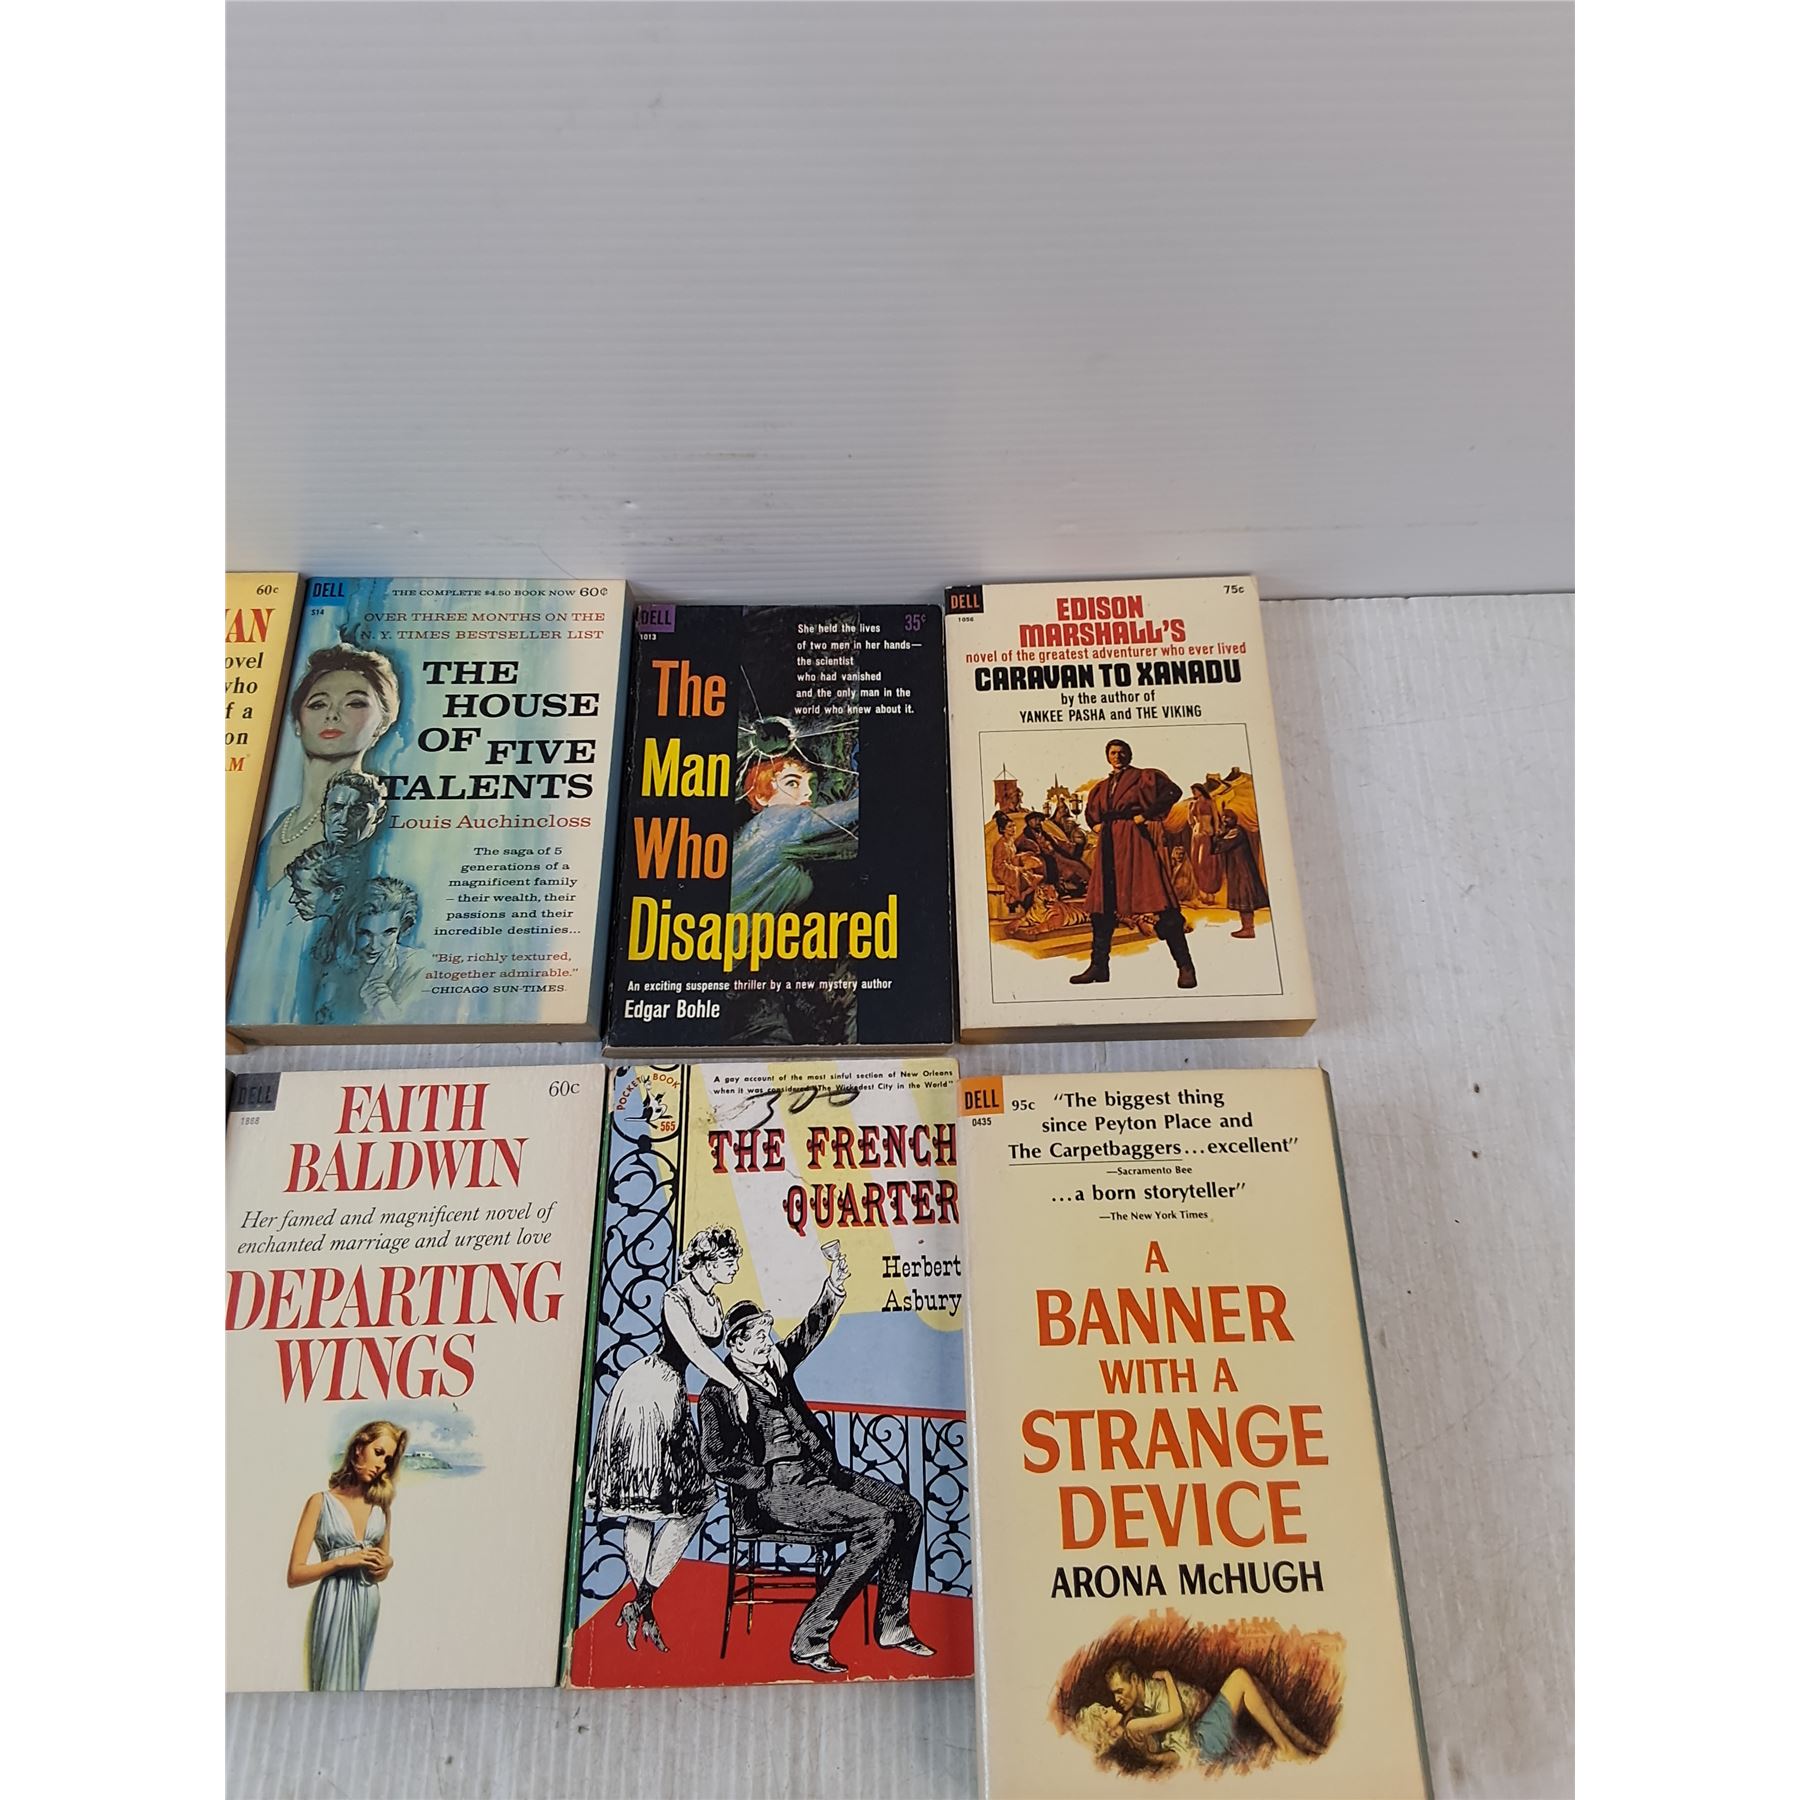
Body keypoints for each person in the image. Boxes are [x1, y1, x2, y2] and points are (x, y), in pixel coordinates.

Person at [698, 1242, 933, 1674]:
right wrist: (763, 1478)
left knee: (908, 1509)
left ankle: (893, 1625)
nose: (767, 1341)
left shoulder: (774, 1366)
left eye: (767, 1333)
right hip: (776, 1494)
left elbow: (809, 1332)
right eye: (758, 1336)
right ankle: (810, 1639)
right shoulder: (720, 1390)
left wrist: (833, 1287)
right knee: (878, 1523)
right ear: (736, 1343)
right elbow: (715, 1459)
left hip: (821, 1476)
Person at [585, 1226, 748, 1652]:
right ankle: (644, 1607)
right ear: (708, 1262)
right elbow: (696, 1351)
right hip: (648, 1393)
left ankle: (641, 1603)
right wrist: (735, 1385)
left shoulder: (715, 1302)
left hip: (673, 1396)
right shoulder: (676, 1297)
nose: (735, 1267)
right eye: (729, 1261)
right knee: (641, 1508)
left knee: (693, 1505)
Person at [286, 1420, 405, 1692]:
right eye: (378, 1453)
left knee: (356, 1685)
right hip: (333, 1600)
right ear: (358, 1448)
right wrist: (343, 1561)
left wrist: (388, 1564)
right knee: (330, 1687)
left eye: (387, 1460)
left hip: (368, 1602)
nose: (381, 1465)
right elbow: (294, 1574)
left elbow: (381, 1567)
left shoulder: (381, 1506)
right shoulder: (320, 1502)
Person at [1071, 740, 1196, 989]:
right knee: (1102, 908)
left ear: (1129, 755)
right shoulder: (1100, 787)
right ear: (1107, 757)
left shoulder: (1144, 777)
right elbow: (1090, 813)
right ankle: (1099, 967)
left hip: (1135, 841)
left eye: (1122, 752)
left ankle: (1185, 967)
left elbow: (1173, 791)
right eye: (1113, 753)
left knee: (1160, 902)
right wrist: (1096, 826)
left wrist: (1145, 815)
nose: (1117, 756)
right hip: (1108, 845)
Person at [1101, 1658, 1324, 1767]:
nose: (1116, 1700)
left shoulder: (1149, 1701)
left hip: (1199, 1734)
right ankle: (1288, 1746)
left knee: (1250, 1683)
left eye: (1119, 1691)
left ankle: (1297, 1741)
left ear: (1135, 1680)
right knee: (1240, 1677)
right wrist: (1168, 1677)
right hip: (1201, 1746)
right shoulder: (1135, 1722)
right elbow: (1177, 1723)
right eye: (1113, 1695)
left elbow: (1171, 1747)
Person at [728, 754, 860, 915]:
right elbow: (848, 813)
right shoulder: (779, 818)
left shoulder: (757, 830)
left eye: (812, 784)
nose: (808, 793)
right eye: (792, 783)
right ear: (761, 796)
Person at [314, 874, 426, 1024]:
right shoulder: (337, 971)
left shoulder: (418, 966)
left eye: (388, 932)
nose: (374, 946)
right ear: (351, 928)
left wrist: (381, 998)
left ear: (403, 927)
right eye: (364, 933)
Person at [1210, 807, 1271, 938]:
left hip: (1242, 871)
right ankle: (1246, 927)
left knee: (1245, 899)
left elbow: (1221, 847)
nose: (1225, 820)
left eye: (1227, 818)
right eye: (1223, 818)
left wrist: (1216, 837)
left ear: (1233, 819)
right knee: (1243, 899)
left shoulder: (1236, 832)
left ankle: (1248, 929)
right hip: (1238, 870)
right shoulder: (1232, 831)